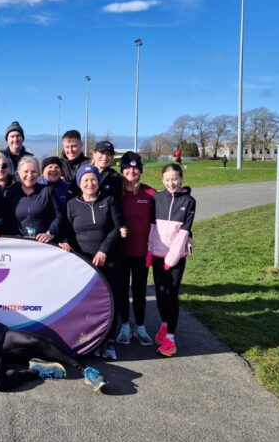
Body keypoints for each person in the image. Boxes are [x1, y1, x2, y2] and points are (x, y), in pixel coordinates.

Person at [59, 165, 124, 360]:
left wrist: (103, 250)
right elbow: (67, 231)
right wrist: (64, 242)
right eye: (85, 180)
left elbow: (117, 227)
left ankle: (109, 340)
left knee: (111, 300)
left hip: (109, 259)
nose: (90, 183)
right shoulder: (72, 204)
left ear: (98, 181)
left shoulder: (109, 200)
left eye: (93, 179)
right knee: (88, 303)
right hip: (83, 262)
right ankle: (92, 340)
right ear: (79, 183)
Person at [147, 163, 195, 357]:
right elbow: (152, 227)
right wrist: (149, 251)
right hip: (158, 254)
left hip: (176, 257)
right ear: (162, 180)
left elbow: (184, 232)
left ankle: (171, 340)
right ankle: (165, 325)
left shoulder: (189, 201)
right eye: (167, 180)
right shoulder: (157, 198)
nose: (171, 183)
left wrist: (172, 258)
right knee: (160, 293)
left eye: (175, 179)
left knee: (172, 294)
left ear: (181, 179)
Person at [116, 151, 156, 346]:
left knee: (139, 290)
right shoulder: (117, 194)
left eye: (135, 168)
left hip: (142, 252)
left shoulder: (150, 194)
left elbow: (163, 221)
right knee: (122, 289)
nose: (132, 171)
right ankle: (124, 326)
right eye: (128, 168)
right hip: (121, 252)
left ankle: (140, 326)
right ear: (122, 171)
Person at [4, 156, 61, 241]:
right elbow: (6, 219)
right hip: (18, 243)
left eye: (34, 172)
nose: (30, 175)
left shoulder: (47, 191)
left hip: (44, 244)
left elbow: (59, 215)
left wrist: (49, 233)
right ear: (18, 173)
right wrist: (15, 235)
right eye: (26, 172)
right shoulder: (11, 194)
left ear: (38, 174)